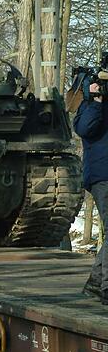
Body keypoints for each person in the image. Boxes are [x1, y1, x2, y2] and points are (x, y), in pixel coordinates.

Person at [74, 81, 108, 304]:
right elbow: (84, 129)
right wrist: (95, 100)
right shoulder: (90, 106)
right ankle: (104, 286)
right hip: (103, 176)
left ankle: (96, 284)